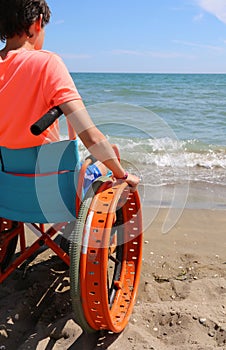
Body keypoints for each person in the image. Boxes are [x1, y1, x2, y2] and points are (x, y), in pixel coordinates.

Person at [0, 0, 140, 190]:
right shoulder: (47, 63)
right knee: (106, 165)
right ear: (38, 23)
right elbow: (92, 137)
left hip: (7, 190)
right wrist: (122, 174)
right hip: (52, 193)